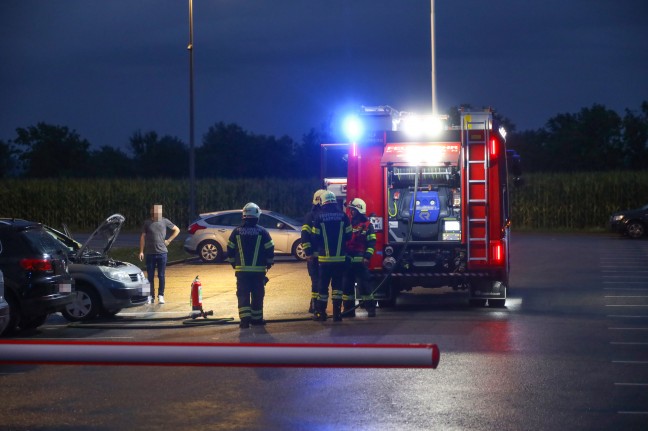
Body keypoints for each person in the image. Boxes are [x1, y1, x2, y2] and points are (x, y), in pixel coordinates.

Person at [226, 202, 275, 329]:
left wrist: (234, 264)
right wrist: (268, 264)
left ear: (244, 216)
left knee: (243, 294)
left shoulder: (236, 232)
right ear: (257, 216)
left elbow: (230, 250)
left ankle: (244, 321)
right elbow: (270, 249)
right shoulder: (262, 232)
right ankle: (257, 319)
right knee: (257, 294)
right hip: (258, 272)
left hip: (241, 271)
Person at [309, 191, 352, 322]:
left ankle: (321, 314)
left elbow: (315, 237)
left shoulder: (319, 217)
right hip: (340, 259)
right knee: (337, 287)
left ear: (323, 202)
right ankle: (337, 314)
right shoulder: (344, 216)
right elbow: (349, 236)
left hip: (324, 260)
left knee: (323, 287)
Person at [342, 198, 377, 317]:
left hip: (360, 261)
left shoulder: (367, 226)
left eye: (352, 210)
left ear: (358, 210)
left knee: (365, 287)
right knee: (347, 287)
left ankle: (371, 309)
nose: (351, 212)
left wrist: (367, 257)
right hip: (348, 261)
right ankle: (348, 311)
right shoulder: (349, 224)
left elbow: (371, 243)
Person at [139, 204, 180, 304]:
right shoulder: (147, 223)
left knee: (161, 275)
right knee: (150, 276)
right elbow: (143, 237)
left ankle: (161, 295)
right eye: (156, 211)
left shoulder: (165, 221)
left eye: (159, 211)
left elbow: (177, 230)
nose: (158, 213)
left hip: (162, 253)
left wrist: (169, 240)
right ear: (152, 211)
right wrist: (141, 251)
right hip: (150, 253)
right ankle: (149, 296)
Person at [301, 189, 327, 313]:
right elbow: (305, 235)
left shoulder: (313, 216)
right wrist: (309, 252)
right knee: (318, 282)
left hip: (319, 256)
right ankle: (316, 306)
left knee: (318, 282)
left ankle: (315, 306)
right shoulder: (311, 217)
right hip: (318, 256)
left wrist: (309, 252)